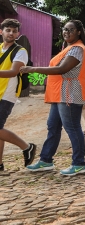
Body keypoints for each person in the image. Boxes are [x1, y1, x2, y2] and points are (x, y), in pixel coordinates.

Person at [24, 20, 85, 176]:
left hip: (69, 95)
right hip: (60, 94)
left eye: (71, 30)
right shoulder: (68, 48)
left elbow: (62, 69)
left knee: (73, 128)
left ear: (79, 32)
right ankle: (46, 160)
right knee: (53, 126)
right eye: (65, 29)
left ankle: (79, 164)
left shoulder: (77, 49)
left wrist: (32, 69)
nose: (66, 32)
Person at [0, 19, 36, 171]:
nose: (11, 33)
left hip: (7, 94)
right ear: (1, 31)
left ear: (18, 34)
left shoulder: (20, 51)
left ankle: (26, 147)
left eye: (14, 31)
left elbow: (14, 71)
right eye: (8, 30)